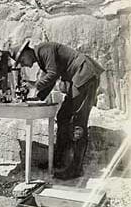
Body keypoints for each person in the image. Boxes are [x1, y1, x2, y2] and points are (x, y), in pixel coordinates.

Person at [9, 40, 104, 180]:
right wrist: (37, 97)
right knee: (63, 116)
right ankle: (58, 159)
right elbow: (52, 78)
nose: (23, 65)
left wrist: (34, 85)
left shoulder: (43, 49)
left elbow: (52, 74)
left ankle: (76, 168)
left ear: (27, 52)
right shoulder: (42, 57)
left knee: (79, 123)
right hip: (79, 78)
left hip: (84, 75)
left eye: (22, 60)